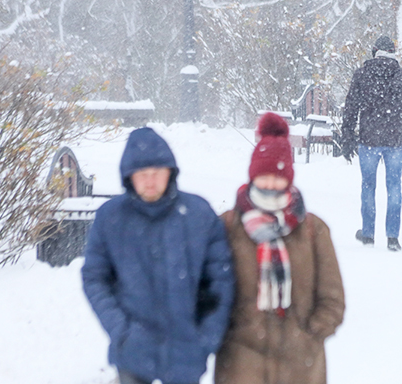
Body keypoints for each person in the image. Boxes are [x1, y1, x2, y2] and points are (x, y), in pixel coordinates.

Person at [82, 127, 235, 384]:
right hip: (132, 352)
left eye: (156, 173)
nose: (150, 181)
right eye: (142, 174)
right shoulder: (111, 218)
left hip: (186, 352)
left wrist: (206, 338)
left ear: (170, 172)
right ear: (129, 176)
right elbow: (95, 277)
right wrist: (121, 330)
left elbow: (221, 280)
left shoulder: (198, 215)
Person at [215, 112, 345, 384]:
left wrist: (310, 335)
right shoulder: (228, 226)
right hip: (241, 363)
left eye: (278, 176)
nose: (271, 184)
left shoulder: (312, 229)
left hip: (300, 365)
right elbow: (210, 291)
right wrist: (227, 332)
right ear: (252, 176)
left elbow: (332, 296)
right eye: (264, 176)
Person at [341, 35, 402, 251]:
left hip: (369, 138)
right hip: (395, 140)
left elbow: (350, 108)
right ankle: (392, 237)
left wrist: (347, 137)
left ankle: (368, 233)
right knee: (394, 187)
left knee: (368, 186)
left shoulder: (362, 74)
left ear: (374, 51)